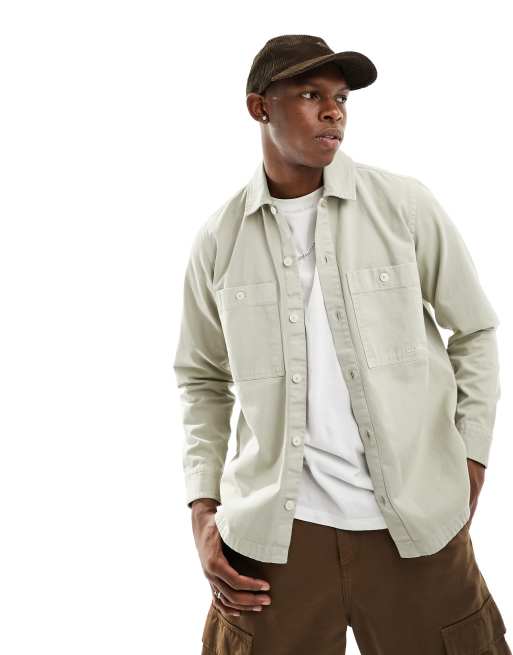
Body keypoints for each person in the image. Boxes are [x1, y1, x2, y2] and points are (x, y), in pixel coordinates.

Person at [173, 34, 511, 654]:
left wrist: (471, 458)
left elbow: (475, 330)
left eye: (341, 98)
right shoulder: (219, 239)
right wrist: (203, 508)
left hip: (415, 524)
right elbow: (201, 379)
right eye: (310, 95)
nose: (333, 112)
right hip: (275, 541)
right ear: (259, 108)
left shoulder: (403, 206)